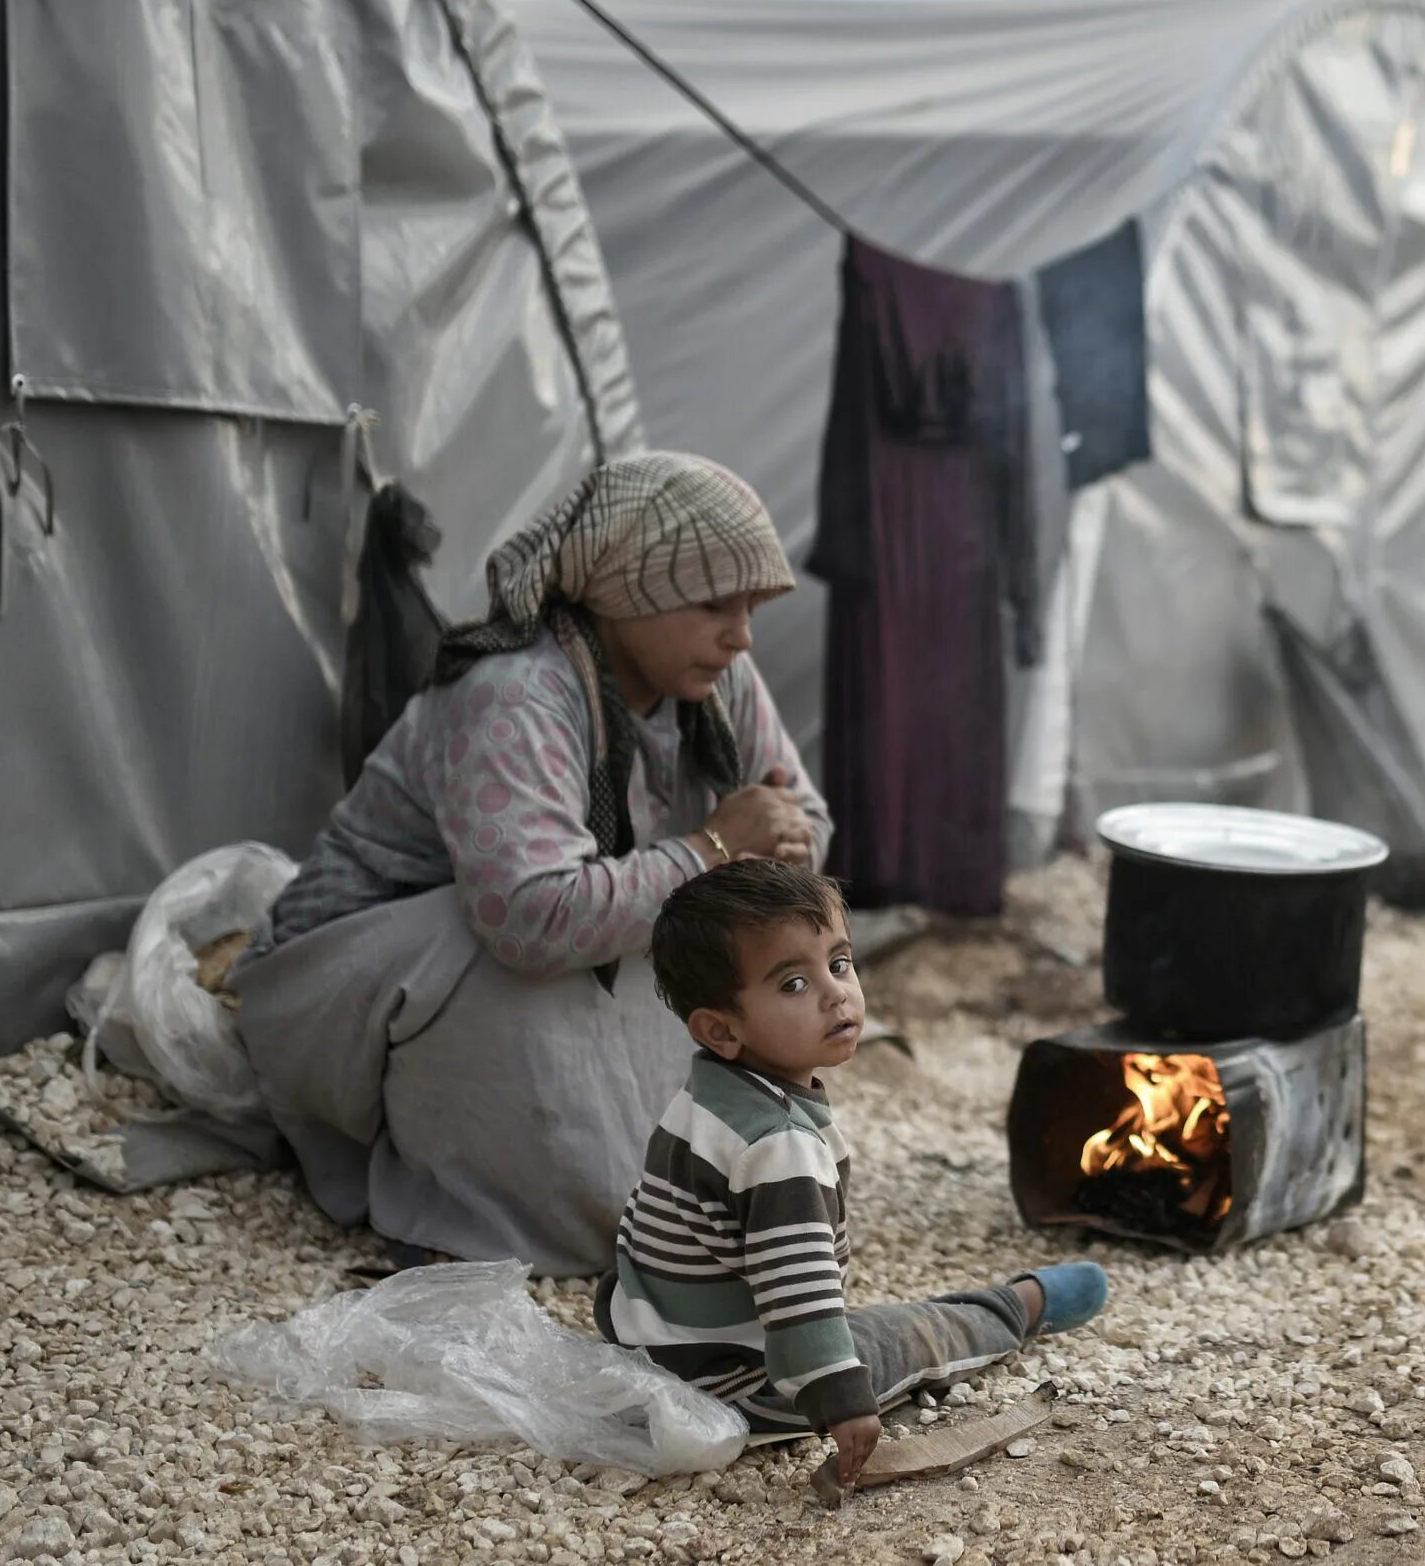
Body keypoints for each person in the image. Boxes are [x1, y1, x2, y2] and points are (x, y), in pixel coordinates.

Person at [234, 453, 831, 1274]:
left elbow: (806, 823)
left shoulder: (720, 676)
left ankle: (613, 1193)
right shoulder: (513, 693)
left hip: (556, 946)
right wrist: (717, 847)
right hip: (349, 986)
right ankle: (472, 1213)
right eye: (713, 605)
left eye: (751, 607)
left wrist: (776, 845)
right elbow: (529, 918)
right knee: (526, 942)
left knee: (717, 953)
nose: (742, 634)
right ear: (627, 591)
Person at [598, 861, 1107, 1486]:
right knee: (910, 1336)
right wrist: (841, 1395)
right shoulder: (780, 1144)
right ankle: (1014, 1308)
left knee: (853, 1318)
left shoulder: (709, 1095)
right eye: (792, 984)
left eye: (838, 964)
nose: (836, 993)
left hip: (649, 1338)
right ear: (721, 1029)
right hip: (731, 1383)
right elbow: (798, 1290)